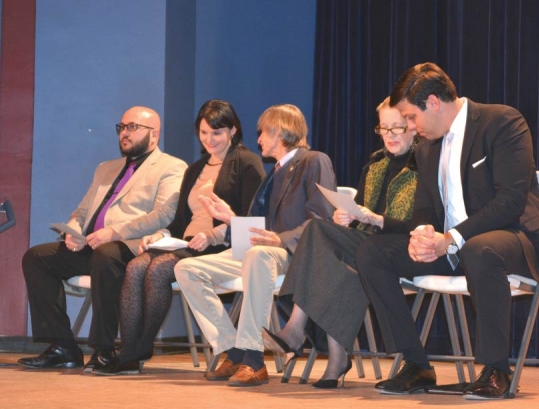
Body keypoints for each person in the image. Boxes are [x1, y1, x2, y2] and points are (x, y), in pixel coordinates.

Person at [355, 62, 539, 399]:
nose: (409, 126)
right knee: (371, 253)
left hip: (513, 239)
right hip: (453, 248)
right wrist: (423, 235)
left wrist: (450, 238)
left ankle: (496, 370)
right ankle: (416, 363)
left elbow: (509, 200)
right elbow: (424, 209)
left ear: (433, 103)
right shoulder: (427, 146)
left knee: (480, 249)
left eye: (410, 117)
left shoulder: (502, 122)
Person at [96, 100, 266, 375]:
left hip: (219, 246)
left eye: (217, 132)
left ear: (233, 131)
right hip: (184, 244)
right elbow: (178, 223)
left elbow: (251, 219)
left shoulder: (247, 162)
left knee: (159, 269)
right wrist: (158, 235)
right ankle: (129, 350)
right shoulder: (195, 169)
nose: (210, 139)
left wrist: (212, 235)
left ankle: (135, 352)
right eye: (203, 132)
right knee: (137, 264)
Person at [174, 104, 336, 387]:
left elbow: (321, 220)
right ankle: (232, 348)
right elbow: (258, 229)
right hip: (261, 252)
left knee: (259, 255)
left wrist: (281, 239)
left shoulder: (314, 161)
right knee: (187, 268)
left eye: (263, 132)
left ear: (281, 132)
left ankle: (254, 358)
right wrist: (231, 219)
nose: (258, 138)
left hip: (294, 254)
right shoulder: (275, 172)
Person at [262, 97, 418, 389]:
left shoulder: (425, 163)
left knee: (335, 262)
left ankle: (307, 337)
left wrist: (376, 220)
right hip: (365, 244)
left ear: (413, 125)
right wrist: (349, 217)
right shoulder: (375, 164)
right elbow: (361, 213)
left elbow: (423, 220)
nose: (389, 135)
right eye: (383, 129)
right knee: (318, 231)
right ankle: (317, 344)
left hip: (404, 247)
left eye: (396, 127)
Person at [19, 106, 188, 371]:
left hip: (132, 247)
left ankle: (104, 348)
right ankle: (63, 346)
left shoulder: (172, 167)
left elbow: (164, 215)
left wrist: (115, 232)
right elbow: (83, 210)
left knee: (106, 255)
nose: (125, 133)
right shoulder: (106, 168)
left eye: (133, 127)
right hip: (93, 245)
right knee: (37, 258)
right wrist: (72, 232)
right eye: (122, 127)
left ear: (154, 134)